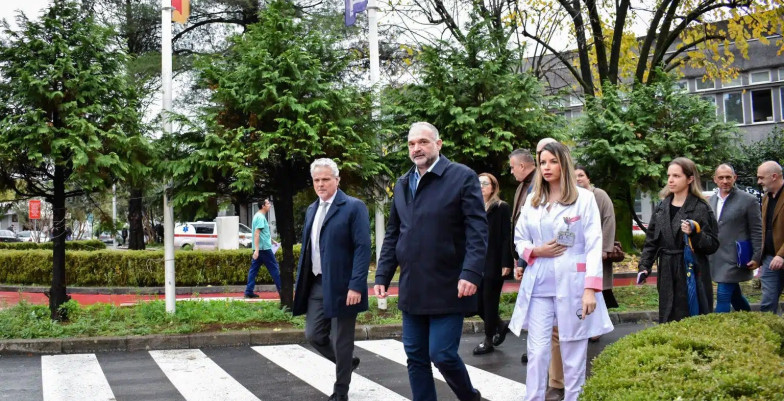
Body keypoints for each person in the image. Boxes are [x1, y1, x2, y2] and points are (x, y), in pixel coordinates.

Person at [375, 122, 486, 401]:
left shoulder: (462, 177)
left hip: (450, 284)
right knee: (415, 357)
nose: (416, 148)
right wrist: (382, 275)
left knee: (442, 354)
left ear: (438, 144)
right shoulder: (402, 184)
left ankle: (469, 397)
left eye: (423, 142)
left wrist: (471, 272)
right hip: (413, 286)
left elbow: (477, 230)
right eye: (412, 144)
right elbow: (393, 235)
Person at [509, 142, 613, 401]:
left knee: (573, 348)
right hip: (540, 287)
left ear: (563, 164)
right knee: (537, 350)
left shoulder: (584, 199)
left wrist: (591, 289)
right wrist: (535, 251)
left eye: (552, 161)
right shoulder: (533, 201)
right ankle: (532, 398)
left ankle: (573, 397)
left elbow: (592, 245)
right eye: (542, 162)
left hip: (574, 285)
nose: (546, 167)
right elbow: (519, 239)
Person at [292, 158, 371, 401]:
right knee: (314, 335)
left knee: (342, 339)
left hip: (344, 285)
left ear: (337, 180)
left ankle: (341, 391)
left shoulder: (353, 207)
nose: (321, 184)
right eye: (317, 180)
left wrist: (356, 284)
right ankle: (347, 361)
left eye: (326, 179)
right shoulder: (312, 209)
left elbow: (362, 248)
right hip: (317, 282)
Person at [638, 157, 719, 322]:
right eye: (669, 175)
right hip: (667, 270)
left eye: (676, 176)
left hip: (691, 270)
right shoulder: (661, 207)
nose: (670, 180)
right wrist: (644, 266)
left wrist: (695, 233)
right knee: (667, 315)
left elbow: (713, 244)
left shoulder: (701, 208)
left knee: (691, 315)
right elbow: (652, 241)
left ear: (690, 179)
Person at [708, 164, 762, 313]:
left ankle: (719, 332)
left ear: (734, 178)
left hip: (736, 257)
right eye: (721, 177)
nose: (725, 181)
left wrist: (757, 256)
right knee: (735, 296)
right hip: (716, 257)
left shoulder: (748, 200)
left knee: (723, 294)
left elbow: (757, 230)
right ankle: (750, 320)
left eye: (728, 177)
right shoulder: (710, 201)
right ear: (715, 180)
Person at [472, 173, 514, 355]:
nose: (481, 186)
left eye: (485, 183)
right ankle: (500, 324)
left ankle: (488, 339)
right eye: (478, 183)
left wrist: (506, 262)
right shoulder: (472, 206)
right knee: (476, 303)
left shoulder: (500, 207)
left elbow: (506, 236)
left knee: (489, 301)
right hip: (476, 260)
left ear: (493, 187)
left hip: (494, 261)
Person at [574, 166, 618, 309]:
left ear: (588, 178)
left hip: (598, 249)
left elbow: (609, 220)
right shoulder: (572, 196)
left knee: (600, 286)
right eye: (574, 176)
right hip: (579, 250)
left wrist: (604, 248)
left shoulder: (599, 195)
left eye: (581, 175)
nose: (578, 179)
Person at [757, 161, 784, 314]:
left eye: (761, 177)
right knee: (767, 303)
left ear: (774, 176)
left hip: (780, 256)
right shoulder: (767, 197)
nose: (759, 181)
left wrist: (781, 255)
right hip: (769, 259)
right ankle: (773, 335)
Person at [245, 198, 282, 298]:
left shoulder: (257, 216)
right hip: (264, 249)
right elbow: (257, 234)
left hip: (259, 248)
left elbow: (262, 234)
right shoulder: (261, 217)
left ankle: (248, 291)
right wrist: (257, 250)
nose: (269, 205)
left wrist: (272, 241)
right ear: (263, 206)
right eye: (268, 203)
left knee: (253, 270)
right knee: (274, 269)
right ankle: (282, 291)